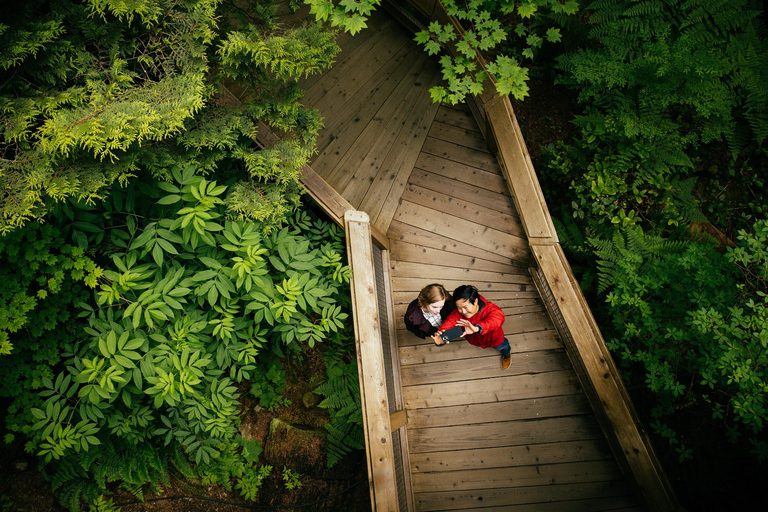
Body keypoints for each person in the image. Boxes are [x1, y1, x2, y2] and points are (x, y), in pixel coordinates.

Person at [431, 284, 511, 370]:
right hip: (475, 341)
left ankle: (506, 353)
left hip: (494, 340)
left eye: (465, 307)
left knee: (503, 346)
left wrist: (477, 328)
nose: (463, 311)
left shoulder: (492, 309)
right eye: (459, 307)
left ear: (475, 301)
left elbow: (495, 320)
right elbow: (449, 324)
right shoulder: (457, 313)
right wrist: (441, 338)